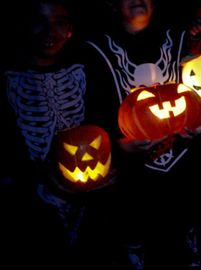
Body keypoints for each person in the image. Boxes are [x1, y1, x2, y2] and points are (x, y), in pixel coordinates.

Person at [80, 0, 201, 269]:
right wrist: (118, 145)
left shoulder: (179, 37)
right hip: (132, 163)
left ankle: (191, 245)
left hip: (182, 157)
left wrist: (200, 121)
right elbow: (91, 111)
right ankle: (135, 251)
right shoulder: (93, 50)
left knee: (187, 213)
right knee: (136, 218)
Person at [0, 0, 104, 268]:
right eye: (39, 21)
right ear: (25, 25)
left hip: (88, 198)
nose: (50, 32)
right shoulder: (9, 80)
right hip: (33, 204)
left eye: (60, 22)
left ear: (70, 29)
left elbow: (100, 126)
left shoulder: (83, 70)